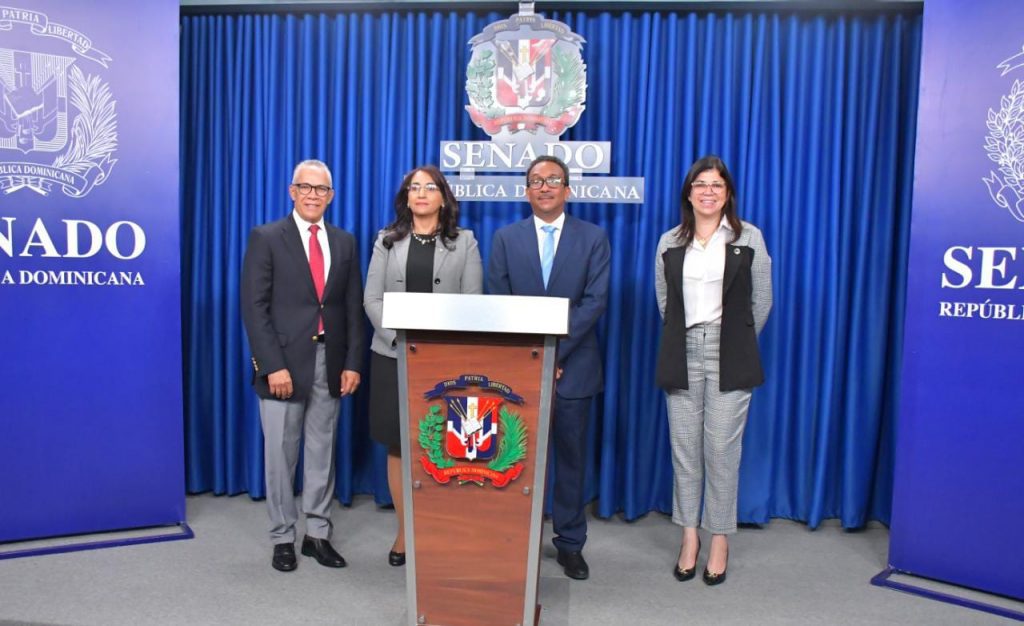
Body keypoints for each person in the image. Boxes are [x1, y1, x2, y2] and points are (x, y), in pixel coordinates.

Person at [487, 155, 610, 580]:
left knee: (571, 460)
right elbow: (499, 301)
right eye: (536, 181)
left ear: (568, 190)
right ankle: (515, 540)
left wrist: (556, 355)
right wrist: (534, 357)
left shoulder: (593, 238)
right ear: (526, 190)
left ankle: (570, 544)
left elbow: (594, 302)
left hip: (573, 369)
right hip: (518, 371)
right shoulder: (505, 238)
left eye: (553, 180)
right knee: (513, 459)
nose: (544, 187)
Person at [240, 159, 364, 572]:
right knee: (280, 454)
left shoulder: (344, 242)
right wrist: (271, 365)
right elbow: (254, 308)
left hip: (330, 362)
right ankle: (282, 536)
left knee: (321, 450)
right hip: (283, 365)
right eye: (305, 187)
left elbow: (351, 307)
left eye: (321, 189)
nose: (313, 195)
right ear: (292, 191)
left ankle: (317, 534)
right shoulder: (267, 237)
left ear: (331, 196)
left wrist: (352, 362)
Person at [654, 155, 772, 586]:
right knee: (685, 453)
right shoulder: (670, 240)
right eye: (700, 184)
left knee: (721, 453)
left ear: (727, 194)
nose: (708, 191)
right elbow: (665, 303)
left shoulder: (748, 237)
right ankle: (690, 538)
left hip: (730, 352)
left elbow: (762, 301)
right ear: (688, 193)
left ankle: (719, 539)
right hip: (682, 350)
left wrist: (733, 340)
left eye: (716, 185)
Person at [363, 165, 483, 566]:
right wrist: (401, 340)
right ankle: (404, 531)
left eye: (429, 187)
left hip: (444, 363)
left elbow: (472, 304)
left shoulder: (464, 242)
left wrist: (438, 350)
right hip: (392, 356)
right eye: (413, 187)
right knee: (399, 444)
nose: (420, 193)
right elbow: (372, 299)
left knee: (440, 446)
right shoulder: (386, 241)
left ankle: (439, 528)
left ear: (443, 197)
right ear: (406, 197)